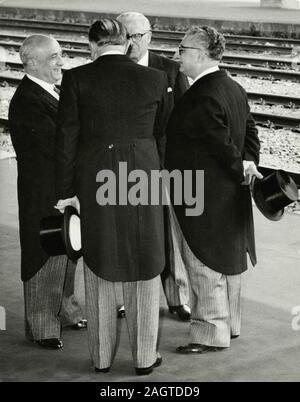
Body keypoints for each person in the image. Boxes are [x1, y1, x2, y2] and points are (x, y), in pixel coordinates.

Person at [55, 18, 169, 375]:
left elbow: (66, 141)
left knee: (100, 264)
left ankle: (101, 358)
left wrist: (66, 194)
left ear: (92, 45)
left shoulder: (77, 79)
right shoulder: (155, 78)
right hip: (142, 180)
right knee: (144, 265)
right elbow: (161, 133)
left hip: (96, 182)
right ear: (126, 43)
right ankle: (144, 359)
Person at [165, 26, 262, 354]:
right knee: (227, 262)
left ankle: (209, 333)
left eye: (182, 49)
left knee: (202, 263)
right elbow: (250, 131)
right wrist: (247, 165)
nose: (178, 55)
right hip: (229, 193)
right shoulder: (232, 87)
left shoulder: (202, 94)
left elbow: (219, 144)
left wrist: (239, 166)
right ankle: (229, 325)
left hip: (200, 194)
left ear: (200, 54)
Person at [8, 35, 86, 350]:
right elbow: (54, 149)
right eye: (54, 56)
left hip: (63, 191)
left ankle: (66, 311)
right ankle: (42, 326)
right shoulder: (28, 100)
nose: (61, 61)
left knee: (68, 252)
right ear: (34, 62)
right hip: (45, 194)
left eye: (60, 54)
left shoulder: (50, 92)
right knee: (45, 255)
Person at [117, 11, 191, 321]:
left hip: (167, 165)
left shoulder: (171, 70)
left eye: (138, 35)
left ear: (150, 36)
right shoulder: (111, 70)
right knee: (127, 233)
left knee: (172, 235)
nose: (132, 42)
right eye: (126, 36)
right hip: (124, 168)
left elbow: (185, 119)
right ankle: (125, 298)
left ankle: (178, 298)